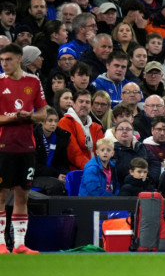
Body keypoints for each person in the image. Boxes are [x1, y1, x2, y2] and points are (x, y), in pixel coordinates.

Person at [0, 44, 48, 254]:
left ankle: (20, 244)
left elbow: (43, 113)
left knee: (22, 195)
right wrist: (12, 118)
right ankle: (1, 244)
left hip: (27, 147)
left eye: (8, 59)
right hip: (4, 147)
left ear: (19, 59)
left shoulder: (33, 81)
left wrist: (29, 116)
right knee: (1, 196)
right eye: (2, 60)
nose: (4, 64)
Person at [57, 89, 104, 170]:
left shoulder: (97, 127)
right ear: (73, 104)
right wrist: (91, 168)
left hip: (95, 169)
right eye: (81, 101)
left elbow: (103, 151)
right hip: (75, 171)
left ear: (91, 106)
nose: (84, 105)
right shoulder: (65, 122)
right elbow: (73, 153)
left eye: (87, 102)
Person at [32, 107, 69, 196]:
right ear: (41, 121)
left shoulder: (61, 137)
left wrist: (63, 174)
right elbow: (35, 166)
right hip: (35, 176)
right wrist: (56, 175)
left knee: (71, 181)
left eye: (56, 121)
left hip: (53, 174)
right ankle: (55, 210)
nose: (53, 124)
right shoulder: (33, 136)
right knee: (55, 185)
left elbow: (63, 162)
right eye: (50, 120)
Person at [112, 119, 161, 187]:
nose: (124, 131)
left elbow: (155, 164)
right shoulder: (111, 150)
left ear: (133, 132)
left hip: (145, 186)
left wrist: (148, 178)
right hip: (123, 188)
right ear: (115, 133)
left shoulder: (141, 147)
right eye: (120, 129)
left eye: (128, 129)